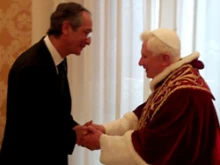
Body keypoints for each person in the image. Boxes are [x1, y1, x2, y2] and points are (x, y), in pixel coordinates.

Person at [80, 28, 220, 165]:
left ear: (165, 59)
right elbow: (140, 117)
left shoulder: (185, 94)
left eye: (145, 56)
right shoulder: (174, 81)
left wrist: (102, 141)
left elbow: (151, 147)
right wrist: (104, 130)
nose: (140, 62)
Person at [0, 2, 92, 165]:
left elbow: (55, 114)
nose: (88, 41)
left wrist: (80, 130)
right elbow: (32, 130)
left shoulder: (59, 60)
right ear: (66, 28)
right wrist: (73, 136)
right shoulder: (31, 66)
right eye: (86, 33)